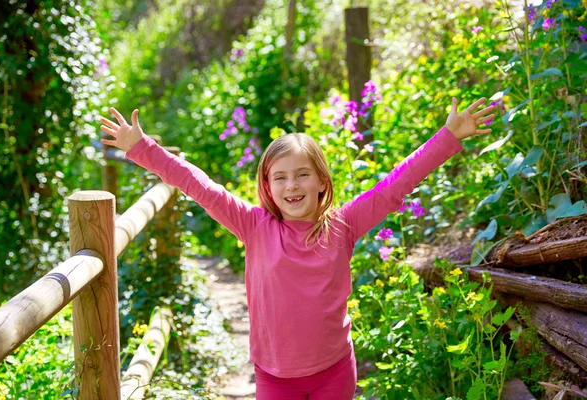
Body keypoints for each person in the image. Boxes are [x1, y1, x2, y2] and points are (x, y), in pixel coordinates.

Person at [100, 97, 495, 399]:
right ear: (267, 187)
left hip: (335, 371)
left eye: (302, 175)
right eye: (281, 178)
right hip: (274, 377)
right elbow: (199, 186)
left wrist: (448, 138)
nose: (292, 186)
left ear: (321, 181)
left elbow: (395, 185)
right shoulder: (253, 226)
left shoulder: (344, 225)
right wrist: (143, 148)